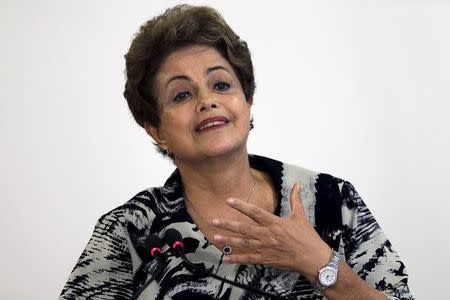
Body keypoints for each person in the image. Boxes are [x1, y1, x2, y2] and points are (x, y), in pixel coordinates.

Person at [60, 4, 413, 300]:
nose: (206, 100)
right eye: (182, 95)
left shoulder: (332, 201)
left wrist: (320, 263)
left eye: (221, 84)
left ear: (247, 100)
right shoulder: (130, 231)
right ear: (155, 130)